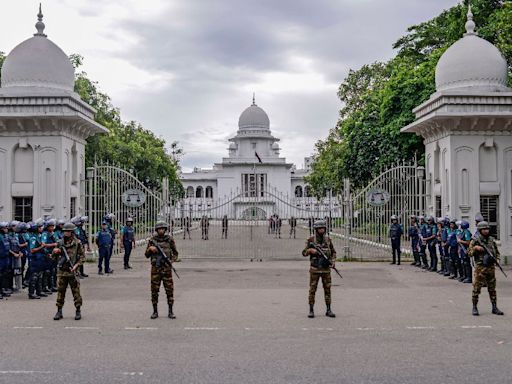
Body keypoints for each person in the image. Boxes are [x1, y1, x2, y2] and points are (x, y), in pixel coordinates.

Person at [302, 220, 336, 318]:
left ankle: (328, 309)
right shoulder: (311, 240)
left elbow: (333, 252)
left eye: (323, 228)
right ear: (316, 229)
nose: (322, 230)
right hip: (315, 269)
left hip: (326, 270)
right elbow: (304, 253)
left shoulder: (328, 240)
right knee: (312, 290)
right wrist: (310, 250)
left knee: (328, 290)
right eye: (320, 228)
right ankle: (311, 310)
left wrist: (333, 262)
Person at [468, 221, 504, 316]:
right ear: (480, 230)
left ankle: (494, 307)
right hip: (480, 268)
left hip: (490, 267)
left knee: (492, 288)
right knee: (477, 288)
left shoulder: (492, 240)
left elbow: (497, 252)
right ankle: (474, 307)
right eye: (484, 229)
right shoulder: (475, 240)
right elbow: (469, 253)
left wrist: (497, 260)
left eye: (487, 229)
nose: (486, 231)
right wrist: (475, 248)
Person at [51, 222, 85, 320]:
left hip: (72, 271)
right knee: (60, 292)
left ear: (72, 232)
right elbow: (53, 258)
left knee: (76, 292)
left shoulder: (77, 243)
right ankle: (59, 311)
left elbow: (82, 257)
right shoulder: (60, 242)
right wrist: (54, 252)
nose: (66, 233)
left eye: (68, 231)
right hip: (62, 272)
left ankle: (78, 310)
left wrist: (76, 265)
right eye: (65, 231)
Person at [145, 221, 179, 319]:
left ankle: (170, 311)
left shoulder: (169, 239)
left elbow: (176, 254)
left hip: (167, 269)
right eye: (159, 229)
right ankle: (155, 312)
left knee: (169, 290)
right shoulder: (152, 240)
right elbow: (146, 255)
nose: (161, 230)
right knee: (154, 291)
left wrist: (170, 261)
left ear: (165, 229)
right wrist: (150, 249)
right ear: (156, 230)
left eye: (163, 229)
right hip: (155, 269)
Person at [0, 222, 11, 299]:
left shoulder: (4, 236)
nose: (7, 229)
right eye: (5, 228)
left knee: (4, 275)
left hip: (6, 257)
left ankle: (2, 290)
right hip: (1, 258)